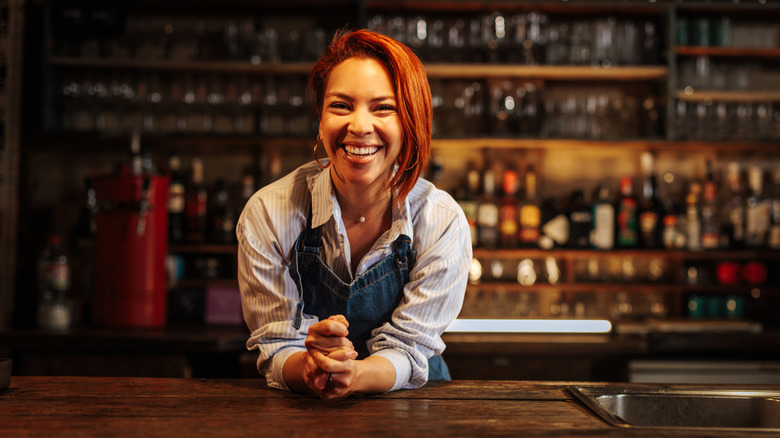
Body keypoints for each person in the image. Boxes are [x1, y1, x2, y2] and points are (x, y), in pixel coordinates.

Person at [237, 29, 471, 400]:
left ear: (411, 122)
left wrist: (354, 374)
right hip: (304, 410)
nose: (359, 126)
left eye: (383, 108)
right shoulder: (268, 213)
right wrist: (311, 367)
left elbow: (410, 348)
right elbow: (279, 343)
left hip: (412, 404)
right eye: (341, 105)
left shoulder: (441, 221)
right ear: (320, 118)